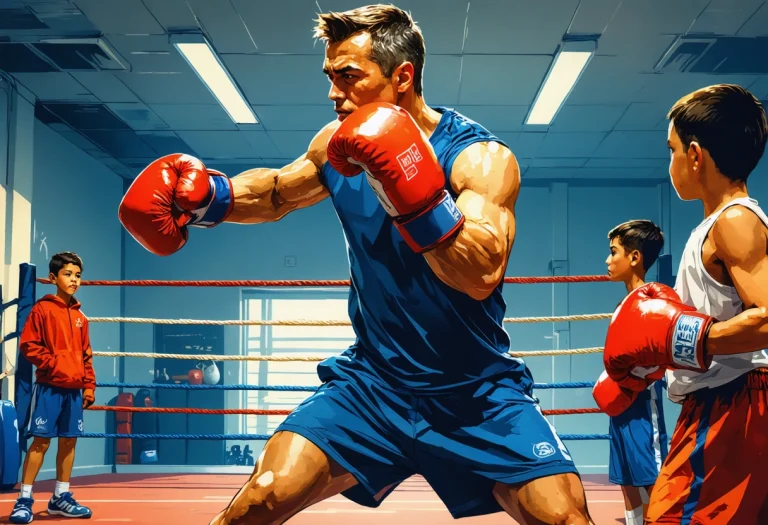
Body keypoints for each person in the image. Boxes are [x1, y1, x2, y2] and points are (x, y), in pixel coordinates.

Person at [118, 4, 595, 524]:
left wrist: (412, 191)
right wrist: (210, 197)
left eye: (349, 77)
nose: (333, 93)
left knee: (565, 519)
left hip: (474, 390)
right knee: (260, 499)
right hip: (373, 384)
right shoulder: (335, 145)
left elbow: (480, 274)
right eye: (330, 76)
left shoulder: (477, 157)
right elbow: (277, 192)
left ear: (402, 77)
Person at [593, 84, 768, 524]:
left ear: (694, 155)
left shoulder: (735, 221)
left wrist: (683, 338)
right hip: (725, 402)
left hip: (731, 406)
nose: (668, 161)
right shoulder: (719, 224)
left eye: (671, 150)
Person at [9, 252, 95, 524]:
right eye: (68, 274)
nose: (73, 280)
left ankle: (61, 496)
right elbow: (28, 345)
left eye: (77, 275)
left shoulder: (81, 317)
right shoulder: (41, 310)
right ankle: (23, 500)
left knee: (69, 442)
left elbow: (86, 354)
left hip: (74, 390)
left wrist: (89, 386)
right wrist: (54, 365)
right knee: (41, 442)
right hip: (49, 388)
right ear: (53, 278)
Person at [598, 220, 668, 525]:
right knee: (625, 478)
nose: (608, 260)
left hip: (641, 403)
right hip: (620, 405)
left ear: (635, 258)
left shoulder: (653, 302)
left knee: (651, 477)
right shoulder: (622, 303)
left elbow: (659, 357)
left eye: (614, 252)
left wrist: (630, 379)